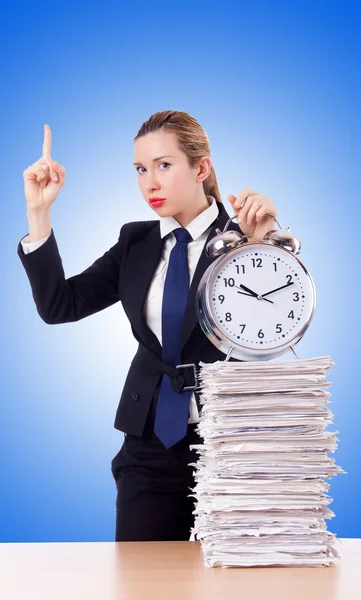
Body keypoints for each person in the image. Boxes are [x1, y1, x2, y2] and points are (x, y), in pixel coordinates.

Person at [18, 110, 278, 541]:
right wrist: (38, 213)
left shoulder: (243, 237)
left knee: (233, 581)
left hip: (231, 443)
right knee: (142, 580)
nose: (149, 183)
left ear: (202, 168)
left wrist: (262, 244)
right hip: (148, 445)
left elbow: (273, 324)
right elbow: (59, 305)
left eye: (163, 165)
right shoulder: (134, 242)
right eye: (140, 169)